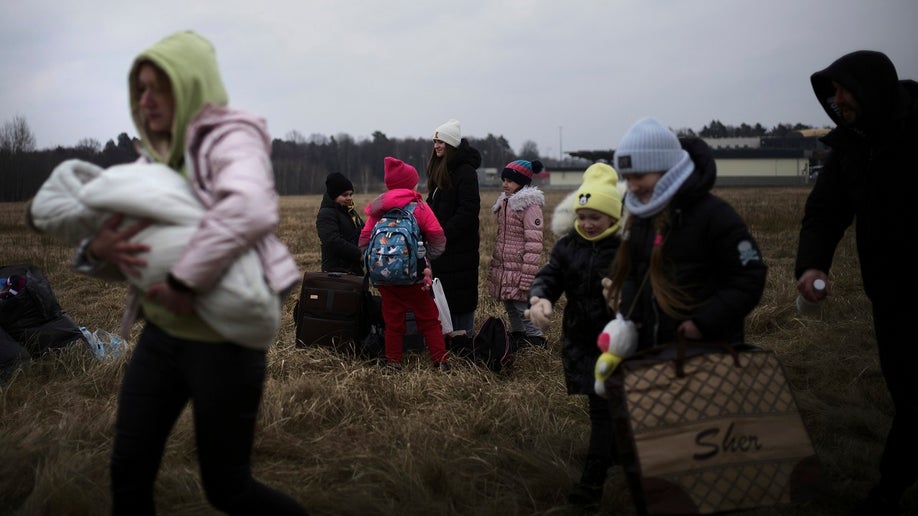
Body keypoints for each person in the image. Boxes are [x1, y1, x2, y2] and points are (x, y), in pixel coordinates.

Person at [71, 31, 306, 514]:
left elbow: (249, 207)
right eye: (140, 89)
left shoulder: (231, 137)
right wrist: (96, 248)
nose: (146, 100)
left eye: (160, 87)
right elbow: (117, 237)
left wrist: (182, 281)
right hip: (161, 335)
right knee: (128, 471)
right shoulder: (153, 160)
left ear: (192, 86)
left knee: (227, 489)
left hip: (223, 340)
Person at [603, 117, 767, 506]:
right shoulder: (642, 216)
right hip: (650, 355)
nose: (632, 187)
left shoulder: (714, 216)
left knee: (704, 460)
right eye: (626, 178)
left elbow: (749, 276)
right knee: (657, 457)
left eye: (639, 175)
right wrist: (628, 311)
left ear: (667, 168)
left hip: (704, 357)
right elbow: (634, 273)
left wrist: (703, 323)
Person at [795, 50, 918, 514]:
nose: (836, 98)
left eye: (844, 89)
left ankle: (889, 487)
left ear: (871, 89)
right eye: (833, 91)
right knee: (906, 389)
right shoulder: (850, 146)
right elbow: (825, 213)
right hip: (888, 291)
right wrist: (811, 266)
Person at [525, 162, 624, 507]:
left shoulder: (626, 250)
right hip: (582, 339)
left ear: (614, 217)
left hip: (620, 345)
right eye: (582, 216)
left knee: (605, 408)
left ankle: (592, 484)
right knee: (607, 407)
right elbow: (551, 276)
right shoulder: (568, 246)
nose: (587, 223)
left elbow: (649, 286)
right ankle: (615, 455)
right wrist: (540, 298)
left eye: (595, 216)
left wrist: (627, 297)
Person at [359, 157, 448, 370]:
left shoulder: (378, 208)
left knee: (392, 321)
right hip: (415, 277)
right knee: (428, 318)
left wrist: (377, 263)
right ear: (410, 183)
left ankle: (393, 362)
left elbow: (363, 239)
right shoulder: (419, 207)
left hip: (384, 278)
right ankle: (440, 361)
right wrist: (427, 258)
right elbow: (438, 237)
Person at [425, 118, 482, 336]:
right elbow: (433, 204)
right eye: (434, 142)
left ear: (450, 145)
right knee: (445, 294)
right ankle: (447, 338)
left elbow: (468, 211)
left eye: (440, 142)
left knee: (460, 297)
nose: (436, 146)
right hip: (443, 248)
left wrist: (442, 234)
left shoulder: (466, 172)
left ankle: (464, 340)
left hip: (459, 248)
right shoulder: (441, 170)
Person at [487, 159, 546, 349]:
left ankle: (536, 340)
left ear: (522, 183)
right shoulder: (506, 203)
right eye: (504, 180)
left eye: (510, 181)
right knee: (510, 304)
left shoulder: (530, 207)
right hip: (506, 266)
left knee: (523, 307)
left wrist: (527, 275)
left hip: (520, 267)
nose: (505, 184)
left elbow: (534, 243)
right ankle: (519, 335)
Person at [316, 172, 364, 275]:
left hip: (353, 269)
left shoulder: (350, 212)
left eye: (351, 194)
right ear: (334, 195)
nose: (349, 198)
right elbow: (332, 241)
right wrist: (358, 254)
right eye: (344, 195)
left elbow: (362, 230)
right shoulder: (326, 214)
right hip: (337, 274)